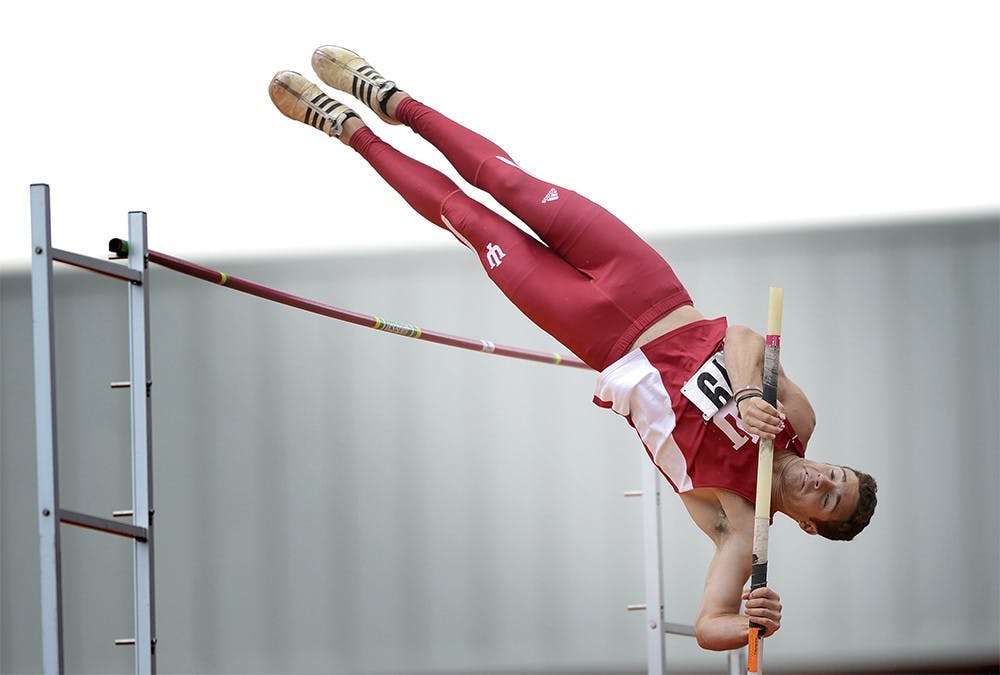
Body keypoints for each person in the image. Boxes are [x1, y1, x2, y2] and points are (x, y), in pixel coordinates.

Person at [268, 47, 878, 651]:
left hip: (598, 334)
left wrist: (751, 624)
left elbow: (706, 626)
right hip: (652, 288)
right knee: (510, 182)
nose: (822, 477)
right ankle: (390, 98)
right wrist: (748, 394)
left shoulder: (741, 527)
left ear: (806, 523)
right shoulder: (797, 420)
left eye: (827, 497)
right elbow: (744, 337)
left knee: (474, 223)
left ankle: (347, 129)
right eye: (837, 474)